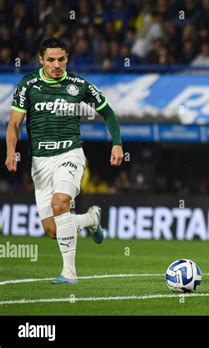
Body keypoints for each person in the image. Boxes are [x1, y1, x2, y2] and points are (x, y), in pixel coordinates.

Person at [5, 37, 124, 284]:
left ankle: (69, 273)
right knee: (53, 230)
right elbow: (14, 124)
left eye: (61, 59)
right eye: (50, 60)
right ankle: (91, 219)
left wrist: (117, 143)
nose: (56, 64)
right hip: (40, 162)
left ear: (67, 59)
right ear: (41, 60)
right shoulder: (29, 84)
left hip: (70, 154)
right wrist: (10, 151)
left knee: (61, 204)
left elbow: (108, 112)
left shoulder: (78, 85)